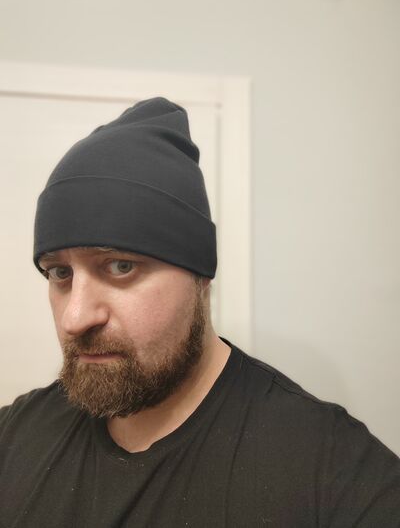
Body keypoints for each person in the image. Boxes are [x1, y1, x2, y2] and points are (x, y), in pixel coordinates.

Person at [0, 97, 399, 528]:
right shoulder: (14, 436)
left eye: (121, 266)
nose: (74, 318)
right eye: (59, 272)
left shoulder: (334, 473)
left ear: (200, 274)